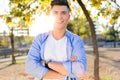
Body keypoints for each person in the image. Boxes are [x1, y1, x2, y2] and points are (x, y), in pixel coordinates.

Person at [25, 0, 86, 80]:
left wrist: (46, 63)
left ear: (68, 17)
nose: (59, 16)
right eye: (55, 13)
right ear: (50, 16)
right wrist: (67, 69)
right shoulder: (40, 39)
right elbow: (30, 67)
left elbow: (80, 70)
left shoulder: (76, 41)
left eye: (63, 13)